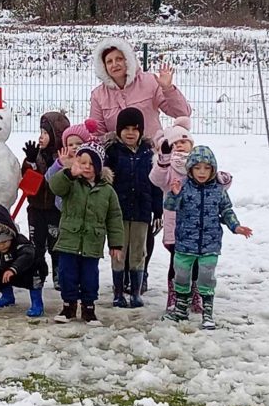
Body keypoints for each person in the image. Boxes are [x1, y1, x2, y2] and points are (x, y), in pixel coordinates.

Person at [89, 37, 192, 293]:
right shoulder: (99, 95)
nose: (115, 64)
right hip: (120, 162)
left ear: (129, 59)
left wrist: (167, 88)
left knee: (145, 221)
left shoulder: (148, 82)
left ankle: (140, 272)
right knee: (120, 220)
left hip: (152, 159)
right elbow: (98, 131)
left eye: (119, 59)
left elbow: (181, 111)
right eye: (109, 61)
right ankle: (120, 274)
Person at [163, 146, 252, 329]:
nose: (202, 172)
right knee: (181, 275)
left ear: (212, 169)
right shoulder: (184, 187)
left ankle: (208, 312)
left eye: (206, 168)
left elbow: (227, 210)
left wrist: (236, 226)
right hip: (185, 244)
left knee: (206, 277)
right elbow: (170, 206)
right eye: (197, 168)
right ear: (190, 169)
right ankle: (181, 309)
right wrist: (174, 194)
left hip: (209, 244)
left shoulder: (218, 190)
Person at [150, 119, 233, 312]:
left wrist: (222, 178)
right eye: (175, 142)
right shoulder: (169, 167)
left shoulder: (201, 164)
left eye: (183, 141)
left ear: (191, 144)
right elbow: (155, 179)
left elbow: (218, 188)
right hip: (176, 227)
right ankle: (176, 296)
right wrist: (163, 161)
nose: (179, 145)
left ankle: (194, 295)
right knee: (177, 263)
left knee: (197, 263)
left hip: (200, 229)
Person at [48, 141, 124, 324]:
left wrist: (116, 243)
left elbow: (114, 218)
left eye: (91, 164)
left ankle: (89, 308)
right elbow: (55, 187)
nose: (87, 167)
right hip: (69, 240)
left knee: (90, 277)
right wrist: (68, 173)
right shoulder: (70, 184)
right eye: (83, 163)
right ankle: (68, 306)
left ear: (99, 167)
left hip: (92, 242)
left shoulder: (107, 191)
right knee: (67, 275)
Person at [104, 108, 161, 309]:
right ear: (119, 130)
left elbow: (155, 184)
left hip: (141, 212)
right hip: (118, 213)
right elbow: (106, 185)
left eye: (135, 129)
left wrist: (158, 210)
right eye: (126, 128)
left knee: (138, 252)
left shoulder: (149, 154)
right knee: (118, 251)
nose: (130, 133)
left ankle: (136, 292)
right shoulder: (112, 153)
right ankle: (118, 292)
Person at [21, 111, 70, 290]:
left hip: (54, 210)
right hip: (35, 208)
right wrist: (31, 163)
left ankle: (59, 274)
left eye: (45, 133)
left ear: (56, 135)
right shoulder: (37, 155)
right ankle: (38, 273)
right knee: (37, 245)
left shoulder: (64, 158)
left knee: (56, 245)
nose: (41, 137)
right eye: (40, 132)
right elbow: (26, 180)